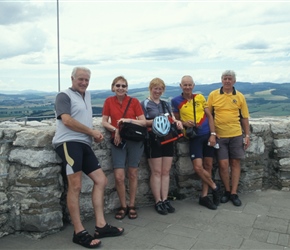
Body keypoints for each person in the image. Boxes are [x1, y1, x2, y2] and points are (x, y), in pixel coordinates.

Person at [52, 67, 124, 249]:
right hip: (68, 143)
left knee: (101, 180)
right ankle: (79, 231)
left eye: (86, 80)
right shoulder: (63, 95)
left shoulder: (88, 95)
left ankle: (100, 226)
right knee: (75, 185)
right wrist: (92, 132)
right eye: (80, 79)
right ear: (72, 79)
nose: (84, 83)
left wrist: (91, 135)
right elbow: (67, 120)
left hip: (84, 144)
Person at [171, 75, 221, 210]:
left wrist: (213, 134)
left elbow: (209, 116)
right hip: (194, 138)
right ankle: (215, 187)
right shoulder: (175, 101)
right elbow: (177, 121)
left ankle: (204, 196)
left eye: (189, 84)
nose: (187, 87)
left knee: (208, 165)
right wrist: (184, 123)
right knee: (198, 167)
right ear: (180, 86)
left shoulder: (199, 97)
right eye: (185, 85)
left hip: (207, 135)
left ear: (193, 86)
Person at [102, 76, 146, 220]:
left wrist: (128, 120)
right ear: (113, 87)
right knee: (119, 177)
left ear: (127, 88)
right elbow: (104, 121)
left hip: (134, 140)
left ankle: (132, 205)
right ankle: (123, 206)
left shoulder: (133, 102)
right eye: (118, 85)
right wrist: (115, 130)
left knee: (132, 173)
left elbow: (143, 122)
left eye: (123, 86)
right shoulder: (109, 101)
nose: (121, 88)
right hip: (118, 141)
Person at [207, 70, 250, 206]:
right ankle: (226, 190)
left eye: (229, 79)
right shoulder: (213, 95)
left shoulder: (240, 96)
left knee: (235, 163)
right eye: (225, 78)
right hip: (220, 136)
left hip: (236, 134)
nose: (227, 81)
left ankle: (234, 192)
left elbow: (244, 117)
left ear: (234, 81)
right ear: (221, 80)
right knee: (223, 165)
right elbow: (209, 116)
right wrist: (212, 133)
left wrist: (247, 135)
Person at [141, 77, 183, 215]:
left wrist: (176, 122)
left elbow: (172, 118)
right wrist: (158, 120)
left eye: (160, 89)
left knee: (166, 171)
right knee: (156, 172)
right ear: (150, 88)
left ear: (163, 90)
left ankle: (165, 199)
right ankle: (157, 201)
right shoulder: (145, 104)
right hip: (153, 140)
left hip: (167, 139)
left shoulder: (166, 104)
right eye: (155, 88)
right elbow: (142, 121)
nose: (157, 91)